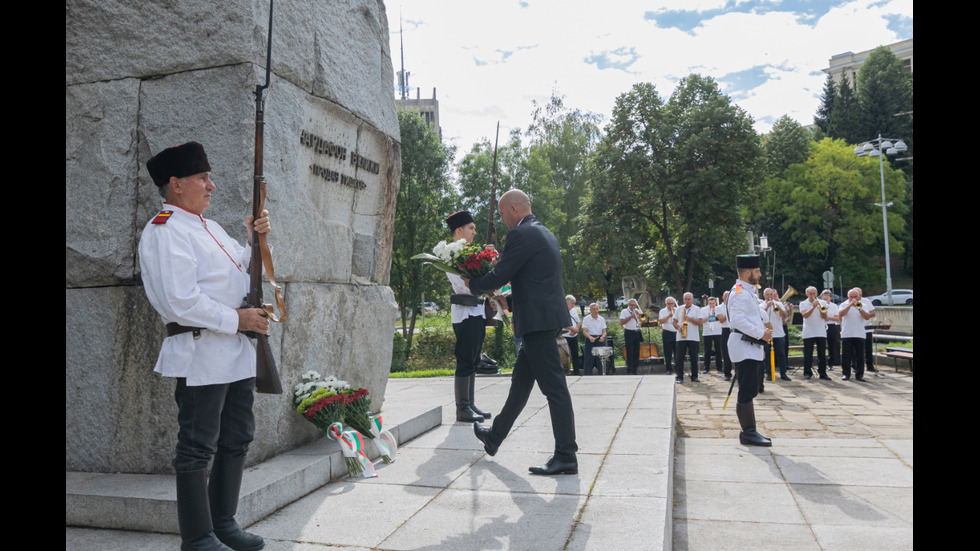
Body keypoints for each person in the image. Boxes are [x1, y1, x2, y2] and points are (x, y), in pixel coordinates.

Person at [139, 142, 269, 551]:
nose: (211, 186)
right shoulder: (165, 228)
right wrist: (238, 320)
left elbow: (240, 274)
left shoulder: (210, 228)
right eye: (202, 179)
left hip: (235, 351)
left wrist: (255, 240)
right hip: (201, 354)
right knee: (197, 446)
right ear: (176, 185)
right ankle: (197, 538)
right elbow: (181, 299)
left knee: (237, 438)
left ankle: (223, 524)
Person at [468, 190, 578, 475]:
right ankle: (494, 437)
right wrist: (512, 301)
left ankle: (566, 455)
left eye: (503, 214)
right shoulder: (544, 233)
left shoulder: (520, 235)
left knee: (555, 389)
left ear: (514, 209)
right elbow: (537, 281)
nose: (502, 220)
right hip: (542, 318)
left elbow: (500, 274)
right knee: (520, 384)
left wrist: (471, 282)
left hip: (538, 323)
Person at [444, 210, 494, 423]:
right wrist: (481, 283)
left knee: (473, 360)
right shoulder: (450, 254)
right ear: (459, 230)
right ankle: (462, 408)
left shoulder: (468, 253)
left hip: (476, 311)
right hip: (465, 313)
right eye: (471, 228)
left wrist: (490, 261)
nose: (475, 232)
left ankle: (470, 403)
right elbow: (463, 286)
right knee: (465, 359)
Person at [727, 255, 773, 447]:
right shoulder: (739, 292)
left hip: (750, 346)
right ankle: (748, 433)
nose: (760, 274)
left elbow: (753, 314)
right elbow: (737, 320)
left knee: (752, 387)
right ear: (748, 272)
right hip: (743, 345)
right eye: (757, 271)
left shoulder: (747, 291)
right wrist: (761, 333)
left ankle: (751, 430)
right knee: (746, 389)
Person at [839, 288, 872, 381]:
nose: (853, 298)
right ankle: (846, 374)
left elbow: (867, 317)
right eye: (851, 297)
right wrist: (850, 305)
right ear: (848, 297)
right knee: (846, 355)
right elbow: (840, 314)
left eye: (855, 297)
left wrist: (859, 308)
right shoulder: (843, 304)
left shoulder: (863, 305)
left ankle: (859, 375)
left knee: (860, 356)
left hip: (859, 333)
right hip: (847, 334)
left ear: (858, 297)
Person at [799, 286, 831, 380]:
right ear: (807, 294)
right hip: (808, 331)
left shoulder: (823, 303)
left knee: (822, 353)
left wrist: (819, 307)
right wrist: (813, 307)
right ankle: (807, 373)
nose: (813, 295)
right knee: (808, 353)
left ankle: (823, 373)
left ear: (817, 294)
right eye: (810, 294)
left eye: (814, 293)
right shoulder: (803, 303)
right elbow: (805, 315)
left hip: (820, 331)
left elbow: (824, 316)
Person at [672, 292, 704, 383]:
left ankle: (694, 376)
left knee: (694, 357)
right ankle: (679, 377)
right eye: (685, 299)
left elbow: (700, 322)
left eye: (688, 299)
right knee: (679, 358)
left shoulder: (697, 309)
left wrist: (689, 319)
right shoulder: (679, 309)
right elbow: (674, 321)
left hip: (693, 337)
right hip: (681, 337)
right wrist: (678, 327)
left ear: (692, 300)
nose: (687, 301)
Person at [760, 288, 789, 385]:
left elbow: (785, 316)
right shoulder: (761, 305)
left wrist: (778, 307)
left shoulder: (779, 304)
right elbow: (759, 318)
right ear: (764, 296)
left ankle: (783, 373)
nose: (769, 296)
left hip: (779, 333)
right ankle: (769, 373)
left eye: (770, 294)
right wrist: (767, 307)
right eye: (767, 294)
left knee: (781, 354)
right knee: (767, 354)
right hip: (766, 334)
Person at [581, 303, 608, 376]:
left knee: (600, 359)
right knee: (589, 359)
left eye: (597, 309)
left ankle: (601, 374)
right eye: (594, 309)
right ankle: (587, 375)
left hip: (599, 339)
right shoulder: (586, 319)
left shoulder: (601, 319)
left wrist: (603, 336)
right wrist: (589, 337)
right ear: (590, 310)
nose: (596, 311)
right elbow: (584, 331)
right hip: (590, 339)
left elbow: (604, 331)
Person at [619, 298, 643, 375]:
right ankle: (630, 370)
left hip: (637, 332)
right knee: (630, 352)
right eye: (631, 305)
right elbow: (621, 322)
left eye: (634, 305)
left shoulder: (637, 311)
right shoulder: (624, 311)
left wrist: (639, 315)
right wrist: (631, 316)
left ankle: (635, 370)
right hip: (629, 332)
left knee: (636, 352)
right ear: (628, 305)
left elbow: (642, 321)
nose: (633, 307)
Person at [858, 287, 878, 373]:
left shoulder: (866, 301)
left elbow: (873, 313)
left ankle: (870, 366)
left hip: (867, 328)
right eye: (857, 295)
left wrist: (865, 315)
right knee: (857, 349)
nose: (859, 296)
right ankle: (855, 366)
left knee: (869, 348)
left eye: (860, 294)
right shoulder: (849, 303)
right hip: (857, 329)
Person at [702, 297, 723, 375]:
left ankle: (719, 367)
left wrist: (715, 315)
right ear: (708, 303)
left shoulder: (719, 309)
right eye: (710, 303)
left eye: (713, 303)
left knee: (719, 351)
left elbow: (721, 319)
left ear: (715, 303)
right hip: (707, 332)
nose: (712, 305)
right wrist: (708, 316)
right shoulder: (703, 310)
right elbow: (701, 321)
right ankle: (706, 368)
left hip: (718, 332)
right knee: (707, 351)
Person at [658, 297, 678, 376]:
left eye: (672, 303)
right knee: (668, 352)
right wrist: (670, 315)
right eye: (669, 303)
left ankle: (678, 368)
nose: (671, 305)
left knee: (678, 352)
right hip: (667, 333)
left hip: (676, 333)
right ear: (666, 304)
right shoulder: (662, 311)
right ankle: (668, 369)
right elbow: (661, 321)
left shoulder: (678, 310)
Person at [822, 290, 841, 371]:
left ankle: (831, 364)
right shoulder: (818, 305)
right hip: (821, 326)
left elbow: (838, 318)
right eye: (824, 296)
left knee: (832, 345)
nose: (825, 298)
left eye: (827, 296)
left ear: (830, 298)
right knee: (821, 345)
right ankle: (821, 363)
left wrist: (828, 318)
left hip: (831, 326)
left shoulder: (834, 306)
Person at [564, 295, 583, 376]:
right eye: (572, 303)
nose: (573, 305)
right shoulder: (561, 311)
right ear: (567, 303)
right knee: (565, 355)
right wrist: (572, 329)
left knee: (575, 353)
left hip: (574, 335)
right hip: (565, 335)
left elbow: (578, 321)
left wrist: (576, 330)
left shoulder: (574, 310)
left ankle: (576, 370)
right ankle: (566, 370)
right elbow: (561, 324)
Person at [719, 291, 734, 381]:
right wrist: (730, 310)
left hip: (735, 329)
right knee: (726, 352)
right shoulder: (719, 307)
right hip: (725, 330)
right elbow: (721, 319)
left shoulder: (736, 306)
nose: (728, 298)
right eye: (726, 296)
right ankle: (727, 373)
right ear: (723, 297)